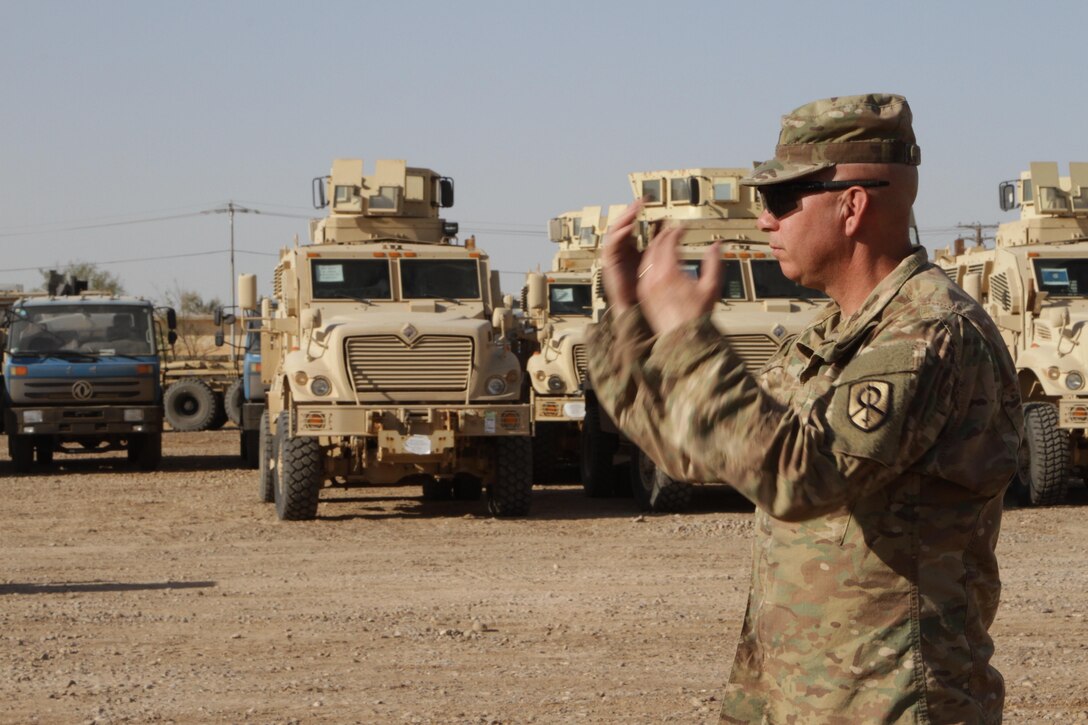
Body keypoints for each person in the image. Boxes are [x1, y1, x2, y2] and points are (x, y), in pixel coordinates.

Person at [587, 94, 1022, 723]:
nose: (765, 220)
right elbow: (699, 450)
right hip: (803, 700)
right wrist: (629, 317)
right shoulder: (829, 339)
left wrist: (689, 338)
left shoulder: (930, 335)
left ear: (852, 205)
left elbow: (800, 478)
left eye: (782, 200)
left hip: (893, 705)